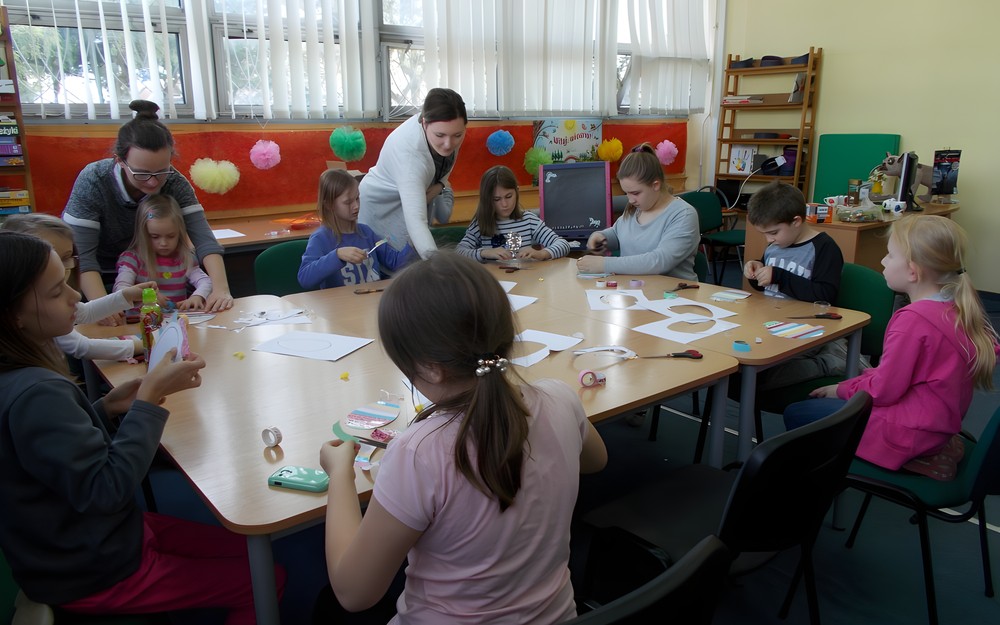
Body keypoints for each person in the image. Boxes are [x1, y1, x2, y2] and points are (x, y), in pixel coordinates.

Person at [0, 231, 285, 623]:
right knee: (264, 578)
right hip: (94, 569)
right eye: (55, 292)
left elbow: (45, 458)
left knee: (252, 550)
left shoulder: (18, 379)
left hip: (86, 542)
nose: (74, 298)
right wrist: (148, 402)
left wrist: (104, 408)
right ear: (12, 315)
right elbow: (108, 489)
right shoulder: (38, 392)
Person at [317, 253, 608, 623]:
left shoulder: (419, 452)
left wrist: (339, 475)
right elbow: (597, 461)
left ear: (429, 369)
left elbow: (352, 593)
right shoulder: (560, 398)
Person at [783, 216, 999, 480]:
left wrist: (840, 389)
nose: (883, 262)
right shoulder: (956, 308)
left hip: (910, 433)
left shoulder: (913, 320)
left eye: (889, 255)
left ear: (912, 271)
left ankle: (816, 490)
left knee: (799, 413)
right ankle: (930, 451)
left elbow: (884, 390)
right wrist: (860, 381)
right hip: (937, 424)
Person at [63, 99, 233, 323]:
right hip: (98, 278)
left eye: (162, 171)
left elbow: (205, 241)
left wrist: (220, 289)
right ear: (120, 161)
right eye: (142, 174)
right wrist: (103, 306)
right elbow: (82, 257)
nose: (153, 183)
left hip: (155, 278)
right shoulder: (93, 180)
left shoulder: (175, 182)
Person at [743, 181, 849, 390]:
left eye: (773, 232)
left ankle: (829, 362)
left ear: (796, 221)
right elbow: (768, 288)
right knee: (739, 370)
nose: (769, 239)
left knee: (758, 379)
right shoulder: (777, 244)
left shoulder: (824, 248)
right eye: (764, 234)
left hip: (805, 330)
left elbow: (825, 296)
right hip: (771, 325)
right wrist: (756, 273)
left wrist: (779, 276)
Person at [2, 213, 149, 361]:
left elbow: (85, 311)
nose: (62, 267)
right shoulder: (44, 311)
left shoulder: (50, 301)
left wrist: (126, 296)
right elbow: (81, 346)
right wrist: (142, 345)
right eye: (55, 259)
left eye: (67, 257)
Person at [359, 88, 467, 261]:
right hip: (382, 207)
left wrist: (440, 186)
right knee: (393, 267)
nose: (448, 144)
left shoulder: (449, 131)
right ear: (424, 123)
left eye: (457, 135)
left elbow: (444, 167)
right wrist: (440, 268)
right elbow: (416, 222)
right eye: (440, 135)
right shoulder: (410, 155)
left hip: (417, 198)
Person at [576, 143, 698, 278]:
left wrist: (604, 264)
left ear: (655, 185)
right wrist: (602, 236)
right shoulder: (636, 209)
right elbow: (618, 233)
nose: (630, 200)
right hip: (634, 291)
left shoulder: (683, 215)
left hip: (673, 295)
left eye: (635, 193)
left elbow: (660, 261)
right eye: (627, 193)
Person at [298, 169, 416, 290]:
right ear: (329, 204)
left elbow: (396, 263)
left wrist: (414, 241)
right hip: (343, 306)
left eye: (357, 198)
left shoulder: (366, 232)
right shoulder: (321, 238)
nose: (356, 206)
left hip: (370, 302)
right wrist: (337, 255)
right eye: (348, 202)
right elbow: (305, 278)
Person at [114, 194, 212, 311]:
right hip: (141, 322)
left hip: (174, 323)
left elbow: (206, 282)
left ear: (179, 234)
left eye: (171, 236)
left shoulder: (184, 258)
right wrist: (147, 296)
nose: (163, 243)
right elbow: (120, 289)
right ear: (144, 234)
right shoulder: (133, 259)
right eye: (155, 237)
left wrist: (197, 296)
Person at [456, 165, 570, 262]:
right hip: (494, 283)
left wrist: (542, 254)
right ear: (487, 200)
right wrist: (484, 253)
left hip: (525, 282)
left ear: (517, 191)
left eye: (509, 196)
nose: (504, 204)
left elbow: (563, 244)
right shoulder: (480, 223)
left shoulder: (528, 220)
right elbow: (459, 252)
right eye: (496, 199)